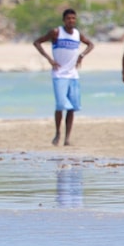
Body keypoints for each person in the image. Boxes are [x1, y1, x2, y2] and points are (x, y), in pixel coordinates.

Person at [33, 8, 95, 147]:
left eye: (73, 18)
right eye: (68, 18)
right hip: (59, 74)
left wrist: (81, 55)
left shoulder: (77, 34)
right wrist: (49, 59)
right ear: (63, 20)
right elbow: (37, 42)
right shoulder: (56, 32)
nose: (71, 21)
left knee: (72, 107)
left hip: (73, 75)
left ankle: (67, 138)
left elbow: (91, 44)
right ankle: (57, 133)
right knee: (60, 105)